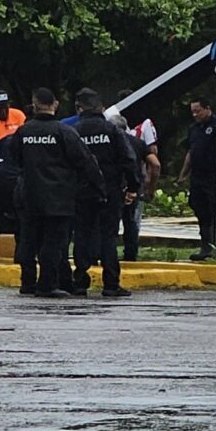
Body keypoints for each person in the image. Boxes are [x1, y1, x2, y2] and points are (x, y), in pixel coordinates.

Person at [9, 87, 100, 297]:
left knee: (28, 241)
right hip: (58, 198)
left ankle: (28, 282)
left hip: (30, 195)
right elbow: (85, 162)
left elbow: (14, 158)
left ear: (34, 103)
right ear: (55, 105)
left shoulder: (24, 131)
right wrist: (98, 188)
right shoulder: (64, 132)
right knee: (53, 243)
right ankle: (47, 284)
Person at [69, 88, 139, 297]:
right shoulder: (112, 130)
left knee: (81, 234)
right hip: (110, 190)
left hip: (82, 191)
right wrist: (133, 187)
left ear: (79, 108)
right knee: (109, 236)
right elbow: (129, 159)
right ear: (100, 107)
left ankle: (80, 280)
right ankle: (111, 283)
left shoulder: (74, 131)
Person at [183, 97, 216, 260]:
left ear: (207, 108)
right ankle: (206, 247)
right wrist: (183, 173)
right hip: (197, 176)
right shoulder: (193, 128)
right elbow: (190, 152)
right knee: (200, 208)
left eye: (198, 111)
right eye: (193, 112)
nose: (195, 114)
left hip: (214, 175)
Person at [0, 90, 26, 252]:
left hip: (16, 162)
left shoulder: (18, 115)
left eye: (6, 107)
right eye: (0, 108)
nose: (4, 111)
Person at [117, 109, 160, 262]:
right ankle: (131, 253)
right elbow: (155, 164)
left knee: (109, 222)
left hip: (113, 186)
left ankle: (103, 252)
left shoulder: (110, 141)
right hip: (133, 186)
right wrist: (150, 186)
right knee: (130, 221)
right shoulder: (138, 143)